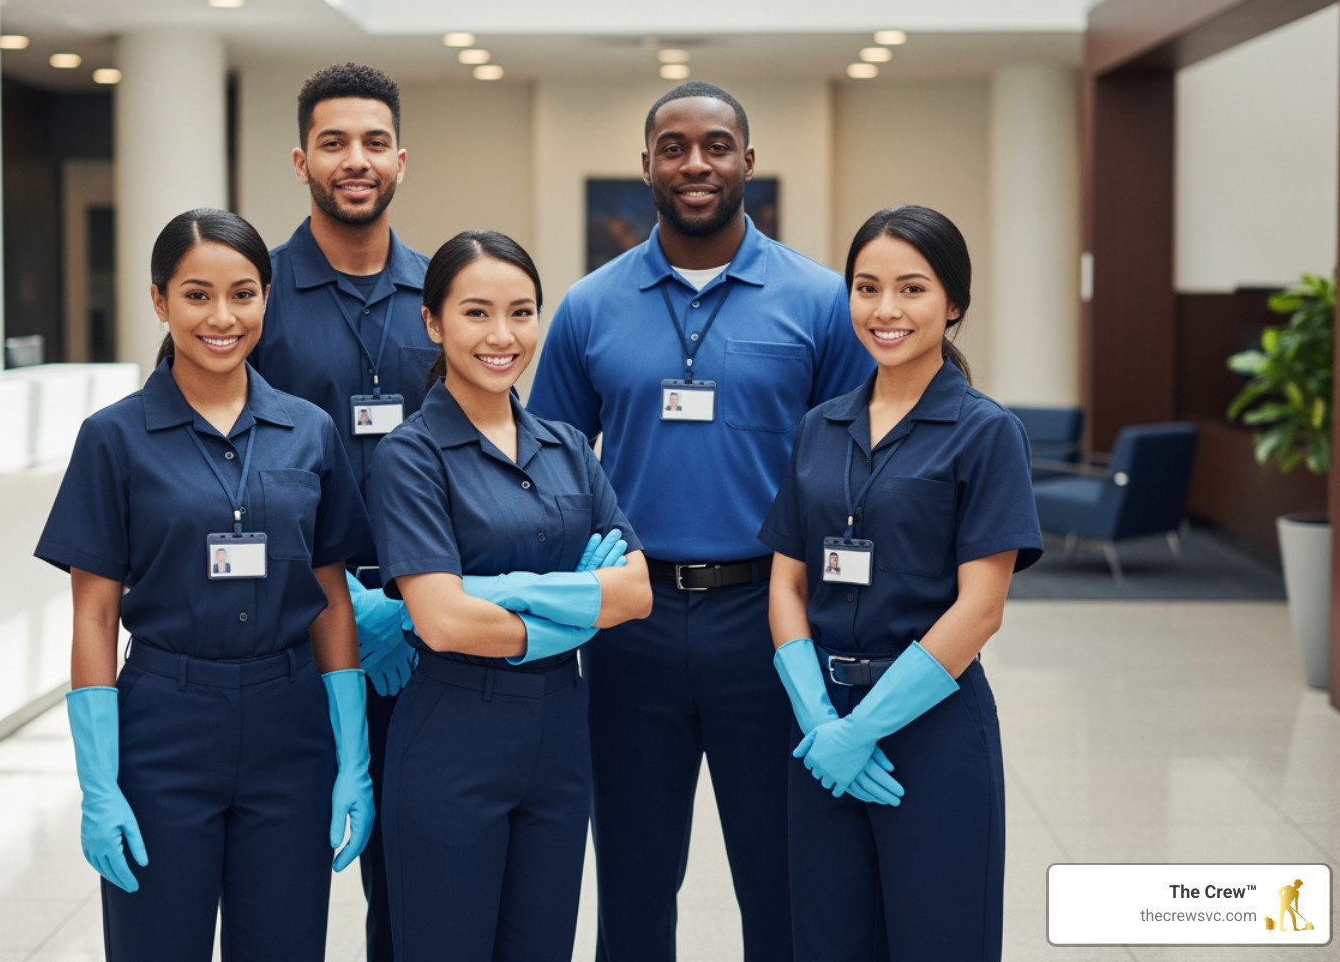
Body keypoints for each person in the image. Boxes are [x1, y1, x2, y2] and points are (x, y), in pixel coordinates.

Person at [528, 81, 873, 962]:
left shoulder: (820, 300)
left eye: (715, 146)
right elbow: (554, 471)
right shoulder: (589, 307)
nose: (695, 164)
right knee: (635, 886)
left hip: (767, 621)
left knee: (782, 877)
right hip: (630, 627)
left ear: (747, 162)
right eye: (673, 147)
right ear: (645, 164)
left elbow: (849, 473)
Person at [36, 208, 375, 960]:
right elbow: (93, 618)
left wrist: (352, 759)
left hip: (291, 728)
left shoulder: (310, 431)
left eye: (243, 294)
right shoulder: (113, 438)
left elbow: (331, 599)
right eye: (197, 295)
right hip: (164, 725)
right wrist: (99, 785)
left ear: (266, 298)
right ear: (159, 301)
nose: (222, 317)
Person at [759, 204, 1043, 961]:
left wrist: (866, 727)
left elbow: (980, 609)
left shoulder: (986, 432)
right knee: (825, 939)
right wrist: (821, 721)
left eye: (911, 289)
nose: (885, 311)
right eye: (866, 287)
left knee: (937, 938)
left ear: (954, 304)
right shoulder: (821, 425)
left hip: (931, 727)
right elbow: (787, 585)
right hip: (820, 730)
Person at [370, 230, 654, 962]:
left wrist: (512, 592)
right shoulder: (409, 455)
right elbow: (440, 622)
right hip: (451, 735)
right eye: (476, 313)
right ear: (433, 323)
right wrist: (581, 604)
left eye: (522, 312)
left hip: (560, 739)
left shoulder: (565, 447)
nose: (503, 336)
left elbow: (637, 593)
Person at [250, 61, 434, 962]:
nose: (353, 160)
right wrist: (336, 605)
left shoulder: (449, 297)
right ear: (301, 161)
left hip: (424, 643)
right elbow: (206, 475)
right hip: (285, 642)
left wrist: (405, 609)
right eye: (333, 143)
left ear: (401, 159)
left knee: (413, 889)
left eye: (371, 142)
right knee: (280, 887)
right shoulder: (252, 298)